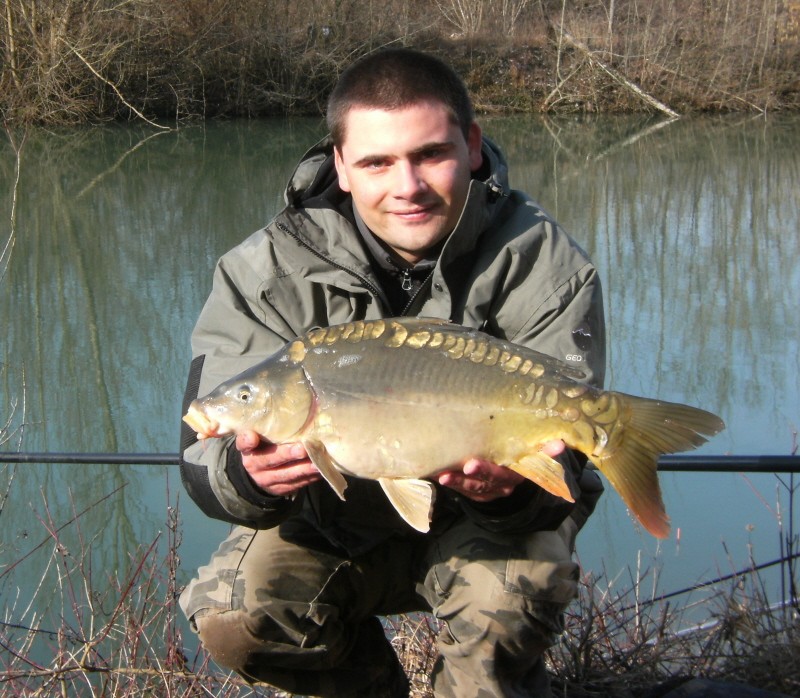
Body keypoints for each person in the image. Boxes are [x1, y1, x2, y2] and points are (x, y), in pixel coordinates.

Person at [178, 47, 606, 698]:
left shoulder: (542, 261)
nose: (406, 186)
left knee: (512, 596)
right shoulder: (262, 271)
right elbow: (200, 454)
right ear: (341, 165)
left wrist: (514, 491)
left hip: (480, 524)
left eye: (430, 154)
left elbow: (567, 465)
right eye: (377, 162)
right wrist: (246, 477)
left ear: (472, 145)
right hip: (336, 522)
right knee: (238, 612)